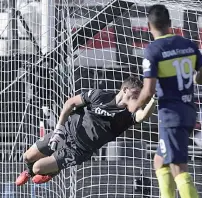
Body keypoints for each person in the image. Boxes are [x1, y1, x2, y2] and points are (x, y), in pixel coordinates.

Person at [128, 4, 202, 198]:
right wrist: (190, 81)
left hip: (171, 115)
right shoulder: (187, 44)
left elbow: (148, 90)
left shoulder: (153, 51)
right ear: (170, 24)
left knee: (178, 168)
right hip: (187, 111)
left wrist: (134, 107)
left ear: (149, 26)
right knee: (160, 162)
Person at [16, 76, 156, 186]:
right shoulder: (99, 95)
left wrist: (154, 99)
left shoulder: (129, 114)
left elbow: (143, 116)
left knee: (38, 168)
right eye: (136, 93)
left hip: (78, 151)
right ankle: (29, 172)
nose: (138, 97)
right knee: (27, 157)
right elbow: (70, 103)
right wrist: (59, 129)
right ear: (125, 90)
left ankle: (51, 171)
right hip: (65, 132)